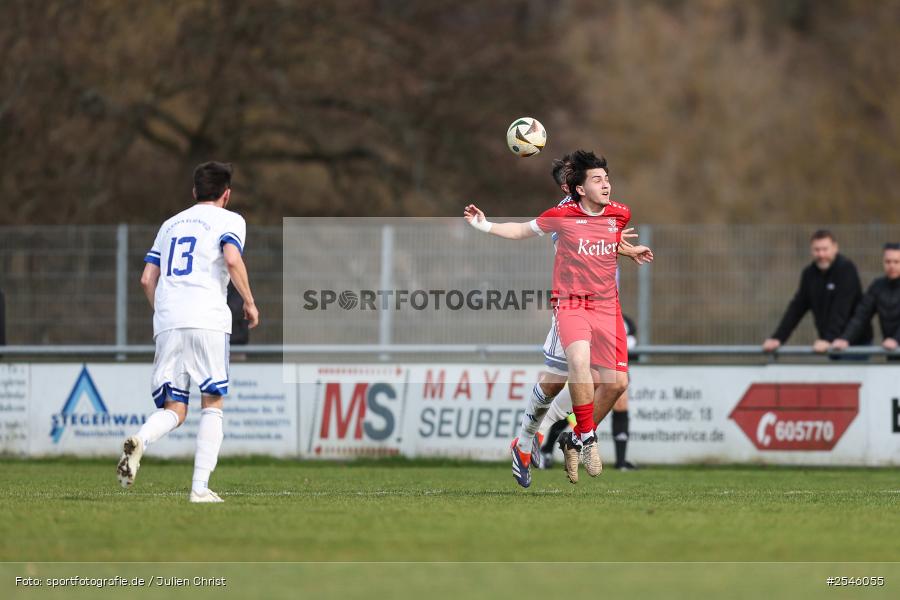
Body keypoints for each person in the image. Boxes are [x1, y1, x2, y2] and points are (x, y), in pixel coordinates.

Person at [465, 150, 653, 485]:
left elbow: (603, 237)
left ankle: (564, 437)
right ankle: (537, 439)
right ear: (574, 188)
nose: (606, 184)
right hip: (571, 304)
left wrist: (625, 248)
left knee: (608, 382)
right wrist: (485, 225)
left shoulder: (617, 214)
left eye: (605, 178)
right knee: (565, 375)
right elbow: (524, 231)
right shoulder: (562, 215)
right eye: (595, 179)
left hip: (606, 307)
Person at [116, 161, 259, 503]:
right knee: (212, 403)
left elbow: (147, 278)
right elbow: (232, 258)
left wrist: (164, 312)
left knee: (174, 409)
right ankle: (199, 489)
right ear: (226, 194)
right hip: (208, 318)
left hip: (168, 321)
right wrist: (249, 302)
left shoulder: (170, 224)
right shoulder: (230, 219)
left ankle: (141, 439)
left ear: (194, 192)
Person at [762, 230, 871, 355]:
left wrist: (829, 339)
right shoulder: (809, 274)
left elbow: (841, 309)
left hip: (855, 344)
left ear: (835, 248)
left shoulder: (846, 270)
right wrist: (778, 338)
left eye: (825, 249)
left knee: (850, 374)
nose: (821, 254)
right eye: (816, 250)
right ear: (811, 250)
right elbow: (797, 308)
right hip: (830, 344)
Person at [832, 243, 900, 358]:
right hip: (892, 351)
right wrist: (845, 338)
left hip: (894, 345)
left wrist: (896, 340)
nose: (891, 266)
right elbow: (861, 315)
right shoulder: (878, 286)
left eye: (896, 262)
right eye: (888, 262)